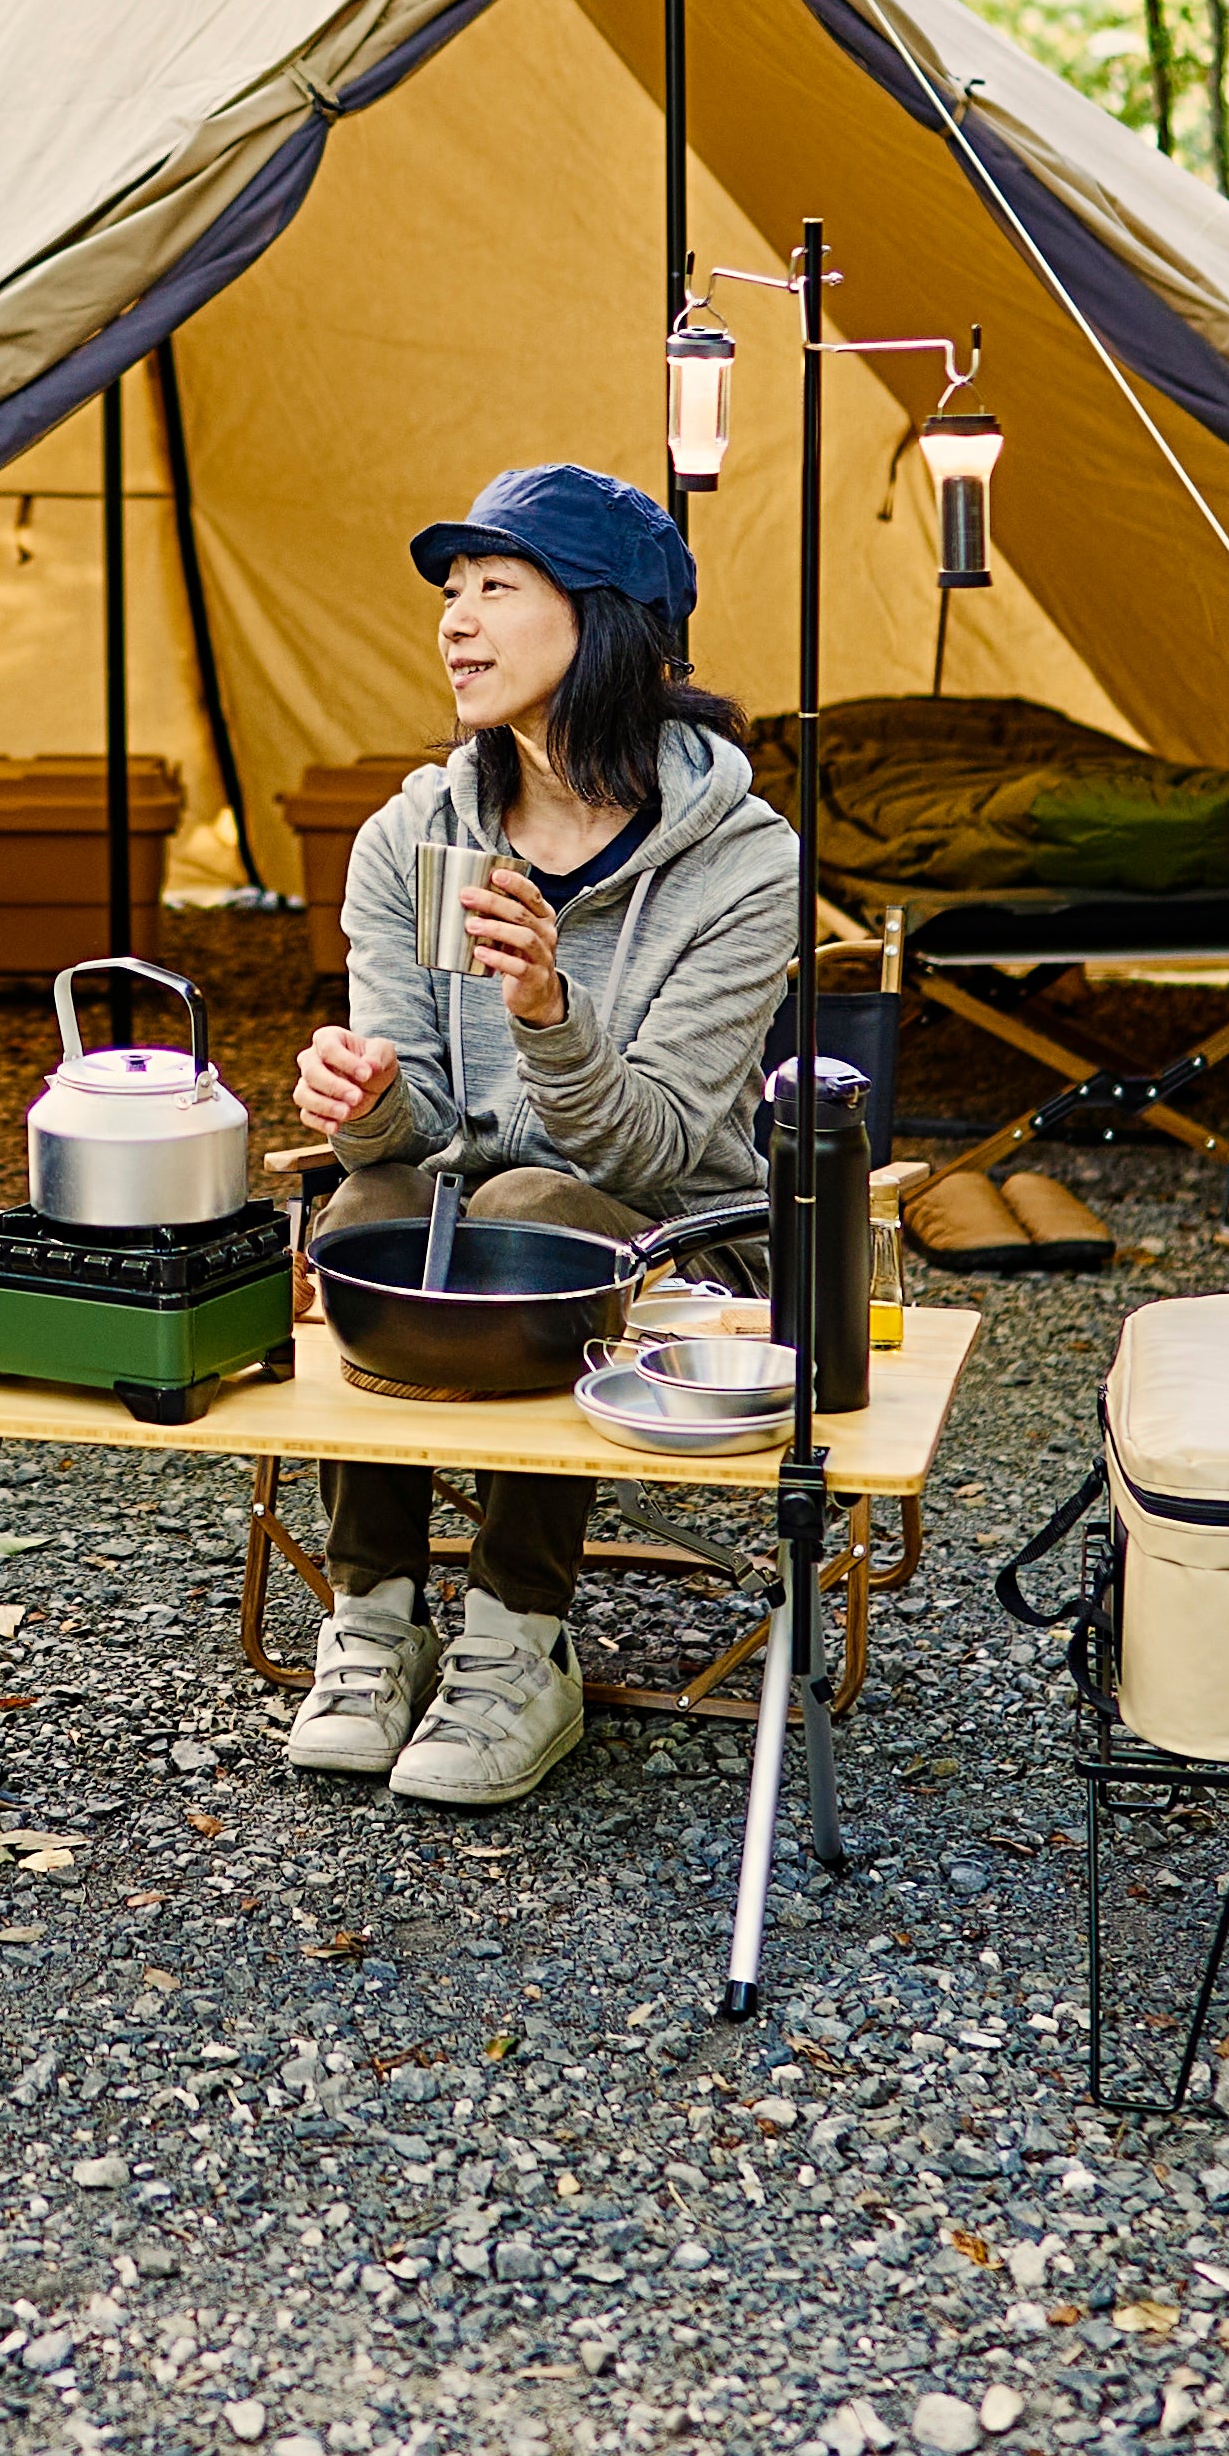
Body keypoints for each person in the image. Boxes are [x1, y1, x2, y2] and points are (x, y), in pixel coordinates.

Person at [281, 461, 799, 1807]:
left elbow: (658, 1147)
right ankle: (374, 1618)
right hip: (458, 1221)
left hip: (670, 1244)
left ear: (606, 620)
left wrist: (548, 1015)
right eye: (450, 593)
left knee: (533, 1210)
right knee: (367, 1211)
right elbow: (414, 1124)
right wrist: (361, 1099)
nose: (455, 622)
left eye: (496, 588)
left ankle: (521, 1639)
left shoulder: (745, 864)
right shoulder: (415, 834)